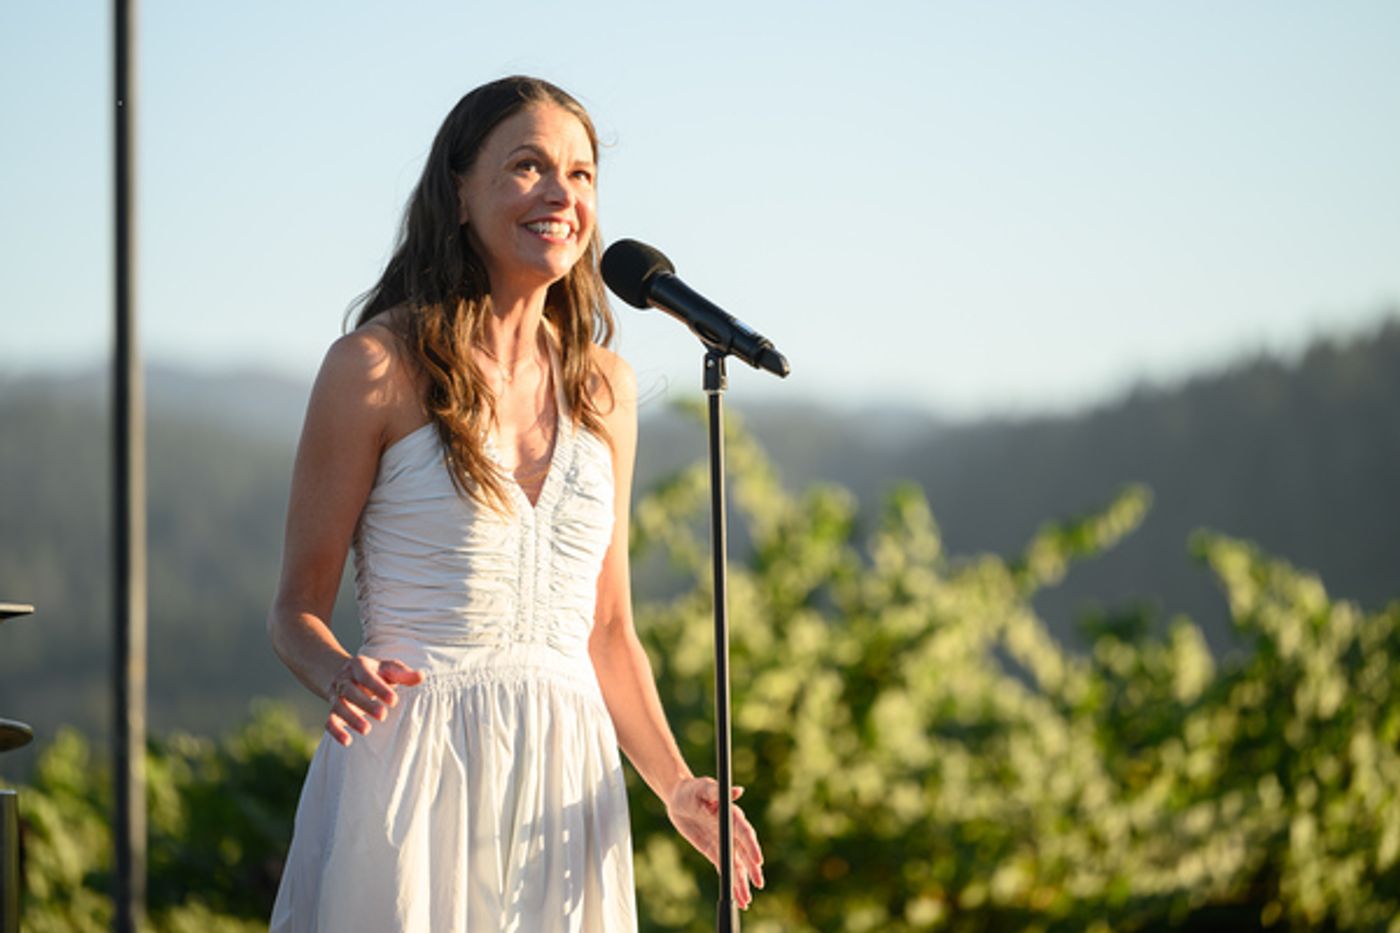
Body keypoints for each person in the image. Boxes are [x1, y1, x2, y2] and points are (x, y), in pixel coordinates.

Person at [266, 76, 764, 931]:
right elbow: (294, 610)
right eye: (528, 166)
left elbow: (607, 632)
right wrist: (337, 671)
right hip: (412, 781)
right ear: (458, 194)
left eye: (580, 174)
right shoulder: (374, 368)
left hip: (567, 788)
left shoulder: (605, 387)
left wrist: (678, 783)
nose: (561, 193)